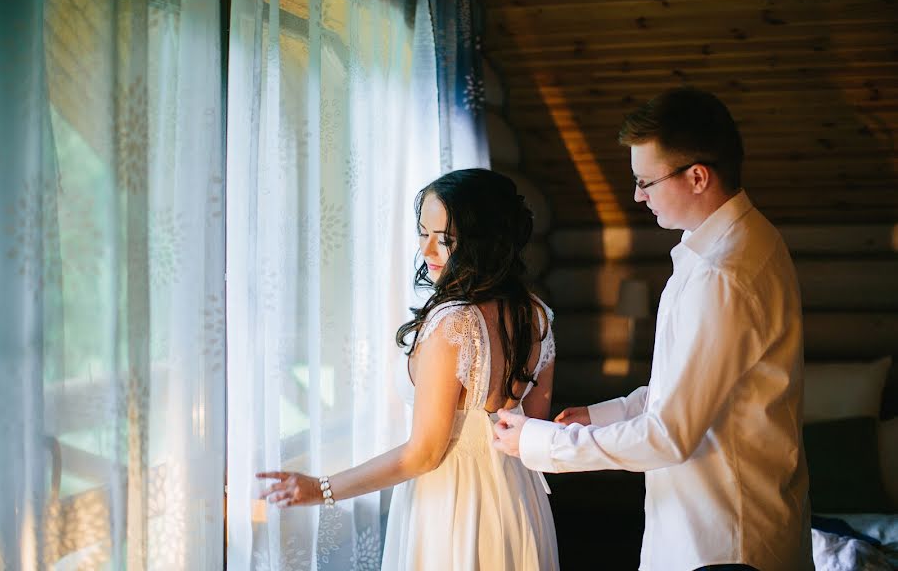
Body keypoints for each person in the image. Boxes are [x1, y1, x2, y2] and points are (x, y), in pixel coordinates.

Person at [493, 88, 814, 571]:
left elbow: (669, 434)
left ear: (698, 177)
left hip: (724, 540)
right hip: (720, 525)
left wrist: (538, 444)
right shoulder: (748, 239)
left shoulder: (721, 275)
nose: (637, 195)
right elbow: (688, 391)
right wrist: (598, 416)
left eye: (646, 180)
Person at [258, 169, 559, 570]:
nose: (428, 250)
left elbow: (423, 454)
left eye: (446, 240)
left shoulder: (454, 324)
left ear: (483, 242)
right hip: (517, 499)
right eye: (423, 233)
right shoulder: (535, 314)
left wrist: (322, 488)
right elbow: (531, 425)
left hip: (454, 504)